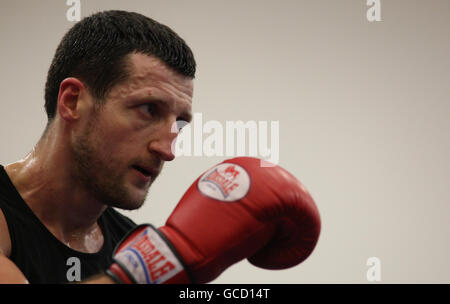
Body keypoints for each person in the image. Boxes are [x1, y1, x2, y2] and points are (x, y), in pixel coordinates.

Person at [0, 10, 321, 284]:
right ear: (73, 101)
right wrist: (166, 260)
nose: (168, 150)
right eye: (148, 110)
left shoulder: (130, 247)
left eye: (179, 125)